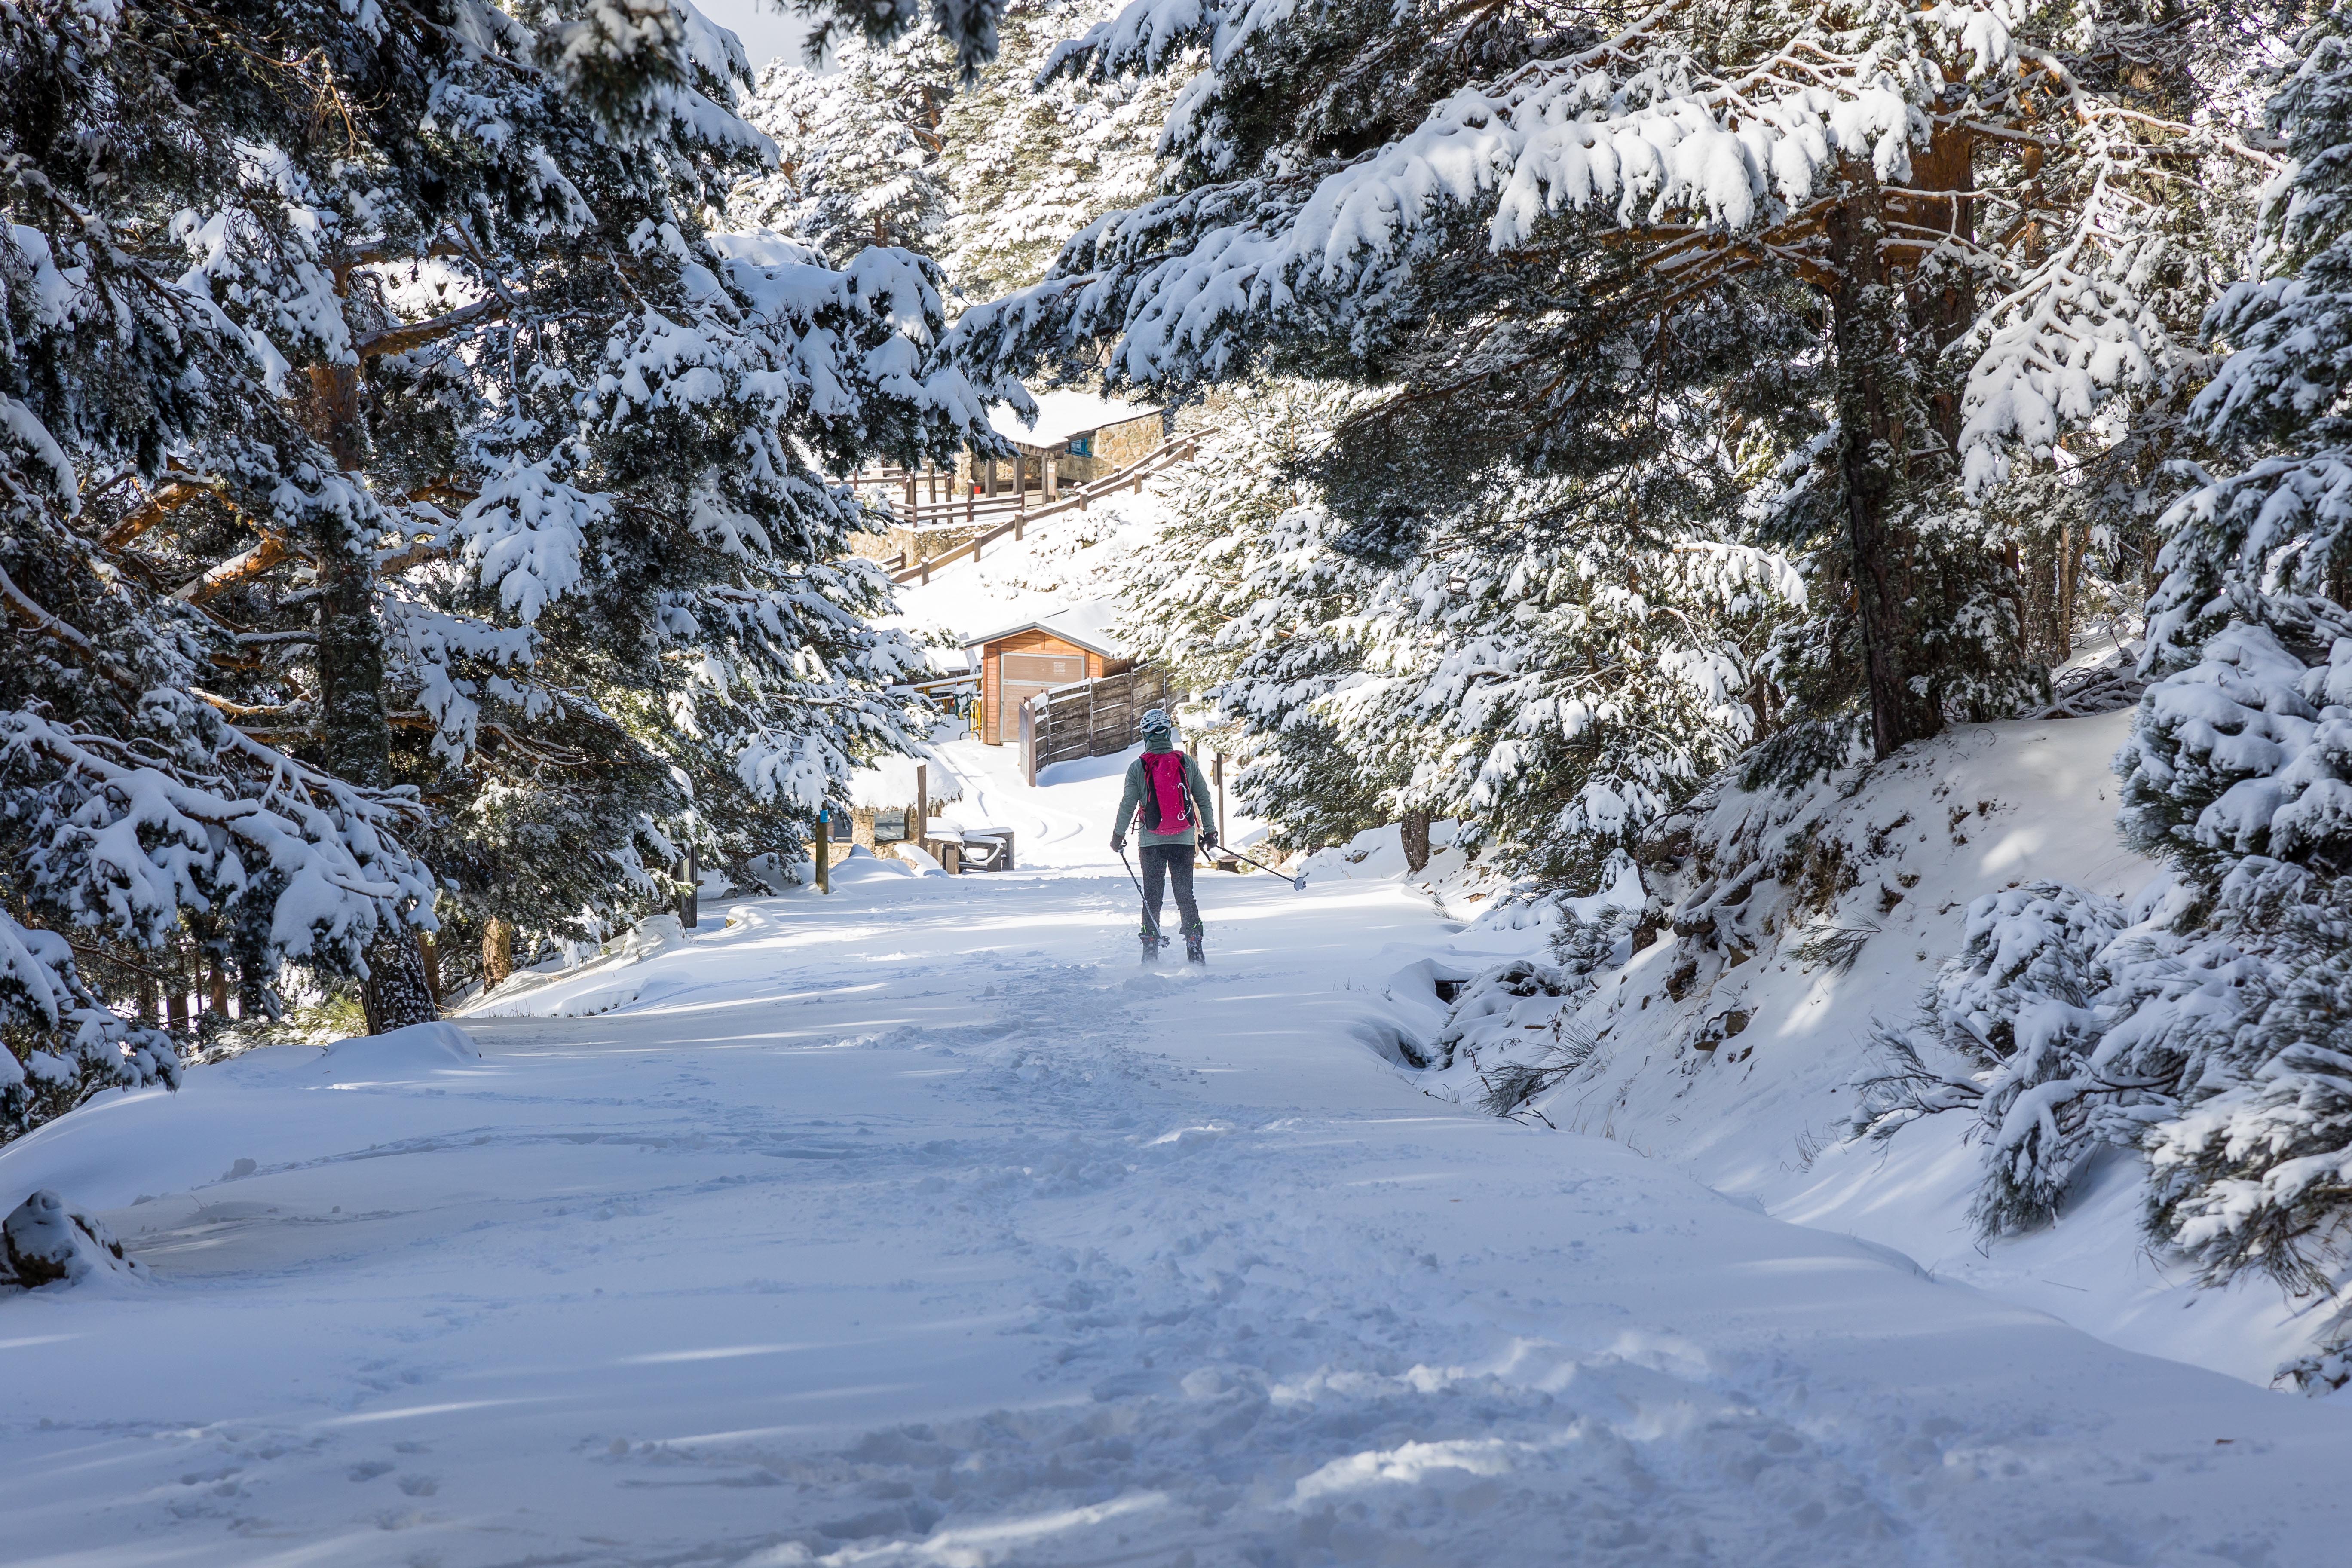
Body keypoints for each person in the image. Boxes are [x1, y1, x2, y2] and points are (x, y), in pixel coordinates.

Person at [1110, 708, 1218, 962]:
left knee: (1152, 897)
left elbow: (1128, 803)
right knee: (1185, 894)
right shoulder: (1186, 762)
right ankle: (1195, 946)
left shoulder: (1138, 767)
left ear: (1145, 735)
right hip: (1183, 839)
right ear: (1168, 732)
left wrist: (1118, 835)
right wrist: (1210, 831)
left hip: (1151, 843)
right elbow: (1203, 798)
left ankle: (1150, 950)